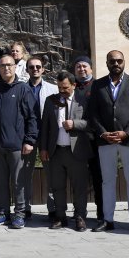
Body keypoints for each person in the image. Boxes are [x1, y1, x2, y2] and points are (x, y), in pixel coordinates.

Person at [85, 51, 129, 234]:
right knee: (107, 181)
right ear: (107, 63)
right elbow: (92, 113)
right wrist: (103, 134)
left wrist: (126, 133)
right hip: (106, 141)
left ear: (124, 62)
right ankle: (108, 219)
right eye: (112, 61)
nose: (116, 64)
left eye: (119, 61)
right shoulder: (97, 85)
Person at [0, 56, 38, 229]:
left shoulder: (23, 89)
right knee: (0, 181)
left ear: (15, 67)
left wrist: (29, 140)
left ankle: (20, 214)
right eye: (3, 65)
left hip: (17, 145)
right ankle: (3, 213)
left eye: (9, 65)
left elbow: (32, 117)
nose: (6, 68)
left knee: (18, 182)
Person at [42, 71, 94, 232]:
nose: (61, 91)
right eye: (59, 88)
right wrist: (43, 148)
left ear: (74, 85)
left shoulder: (83, 100)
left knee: (79, 187)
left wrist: (75, 124)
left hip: (77, 151)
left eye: (65, 87)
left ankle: (80, 216)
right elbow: (45, 127)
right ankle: (60, 216)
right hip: (56, 151)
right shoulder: (51, 101)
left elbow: (92, 123)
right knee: (57, 186)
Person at [71, 57, 105, 225]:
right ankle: (79, 212)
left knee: (99, 178)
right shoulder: (71, 86)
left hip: (94, 140)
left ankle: (102, 214)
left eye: (85, 66)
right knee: (78, 179)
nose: (81, 69)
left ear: (91, 69)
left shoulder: (98, 86)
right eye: (78, 67)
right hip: (75, 140)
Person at [25, 56, 57, 218]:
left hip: (48, 137)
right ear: (27, 70)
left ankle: (53, 209)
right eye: (31, 67)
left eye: (38, 67)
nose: (35, 69)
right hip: (28, 138)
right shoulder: (22, 88)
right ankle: (25, 208)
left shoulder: (53, 89)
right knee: (25, 174)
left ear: (43, 69)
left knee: (51, 173)